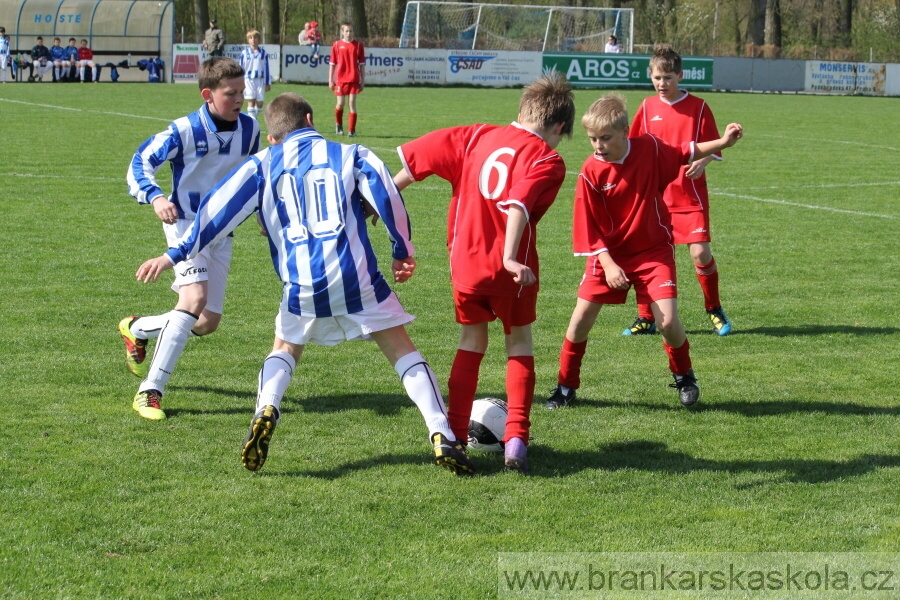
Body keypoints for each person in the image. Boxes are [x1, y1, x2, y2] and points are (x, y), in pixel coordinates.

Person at [134, 92, 475, 476]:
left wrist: (173, 255)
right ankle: (441, 432)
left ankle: (267, 407)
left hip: (300, 284)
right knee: (400, 349)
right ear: (311, 119)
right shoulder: (352, 154)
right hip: (355, 276)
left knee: (285, 347)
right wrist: (402, 248)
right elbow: (387, 192)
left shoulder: (261, 165)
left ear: (273, 136)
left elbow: (214, 213)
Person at [394, 72, 576, 472]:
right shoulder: (548, 158)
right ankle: (516, 441)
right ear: (559, 126)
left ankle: (455, 434)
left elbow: (418, 162)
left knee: (471, 341)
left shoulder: (477, 136)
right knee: (519, 344)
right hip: (512, 271)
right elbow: (519, 204)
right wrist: (510, 257)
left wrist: (384, 198)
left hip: (466, 266)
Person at [545, 93, 743, 411]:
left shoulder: (649, 148)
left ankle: (684, 376)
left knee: (667, 322)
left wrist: (722, 142)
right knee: (579, 321)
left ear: (625, 132)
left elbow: (684, 151)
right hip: (609, 254)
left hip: (653, 251)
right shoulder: (591, 171)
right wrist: (609, 265)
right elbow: (589, 229)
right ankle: (565, 387)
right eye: (592, 139)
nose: (598, 145)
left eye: (605, 138)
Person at [121, 57, 261, 421]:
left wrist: (263, 215)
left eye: (242, 92)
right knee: (194, 298)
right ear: (207, 94)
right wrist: (156, 196)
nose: (239, 100)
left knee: (206, 322)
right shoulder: (183, 129)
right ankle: (150, 391)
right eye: (231, 93)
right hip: (184, 224)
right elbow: (140, 161)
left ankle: (135, 328)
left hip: (222, 230)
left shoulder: (250, 129)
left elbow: (256, 177)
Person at [622, 43, 732, 337]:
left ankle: (714, 308)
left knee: (700, 253)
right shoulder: (646, 107)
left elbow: (716, 146)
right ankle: (645, 317)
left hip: (690, 195)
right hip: (656, 197)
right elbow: (633, 147)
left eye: (668, 77)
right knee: (648, 256)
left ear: (680, 76)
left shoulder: (699, 107)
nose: (662, 84)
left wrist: (704, 161)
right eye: (657, 78)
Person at [328, 22, 364, 137]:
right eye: (347, 31)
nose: (349, 33)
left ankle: (351, 130)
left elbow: (362, 65)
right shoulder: (337, 45)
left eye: (351, 31)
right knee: (340, 104)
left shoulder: (358, 46)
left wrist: (362, 80)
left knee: (352, 103)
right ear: (342, 32)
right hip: (340, 79)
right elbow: (332, 64)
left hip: (353, 78)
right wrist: (330, 80)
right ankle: (338, 124)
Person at [239, 29, 271, 120]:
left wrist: (268, 82)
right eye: (251, 38)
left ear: (259, 39)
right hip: (248, 79)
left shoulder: (263, 53)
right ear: (248, 40)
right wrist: (240, 81)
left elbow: (267, 68)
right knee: (251, 100)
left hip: (260, 80)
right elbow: (241, 68)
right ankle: (252, 122)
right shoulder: (244, 53)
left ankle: (252, 119)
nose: (253, 39)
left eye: (255, 37)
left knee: (260, 103)